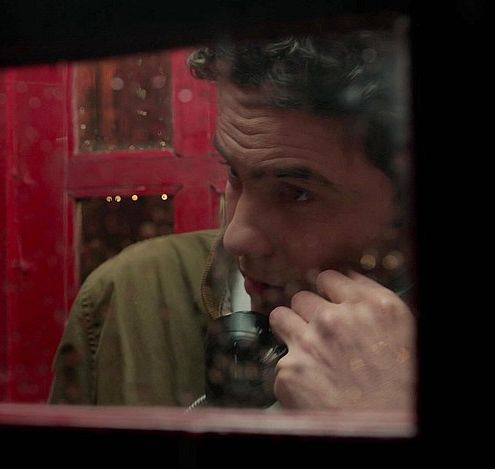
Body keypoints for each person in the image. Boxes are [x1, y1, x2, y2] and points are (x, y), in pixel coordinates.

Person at [47, 27, 416, 415]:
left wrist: (389, 413)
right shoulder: (129, 295)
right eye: (234, 173)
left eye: (297, 193)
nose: (235, 237)